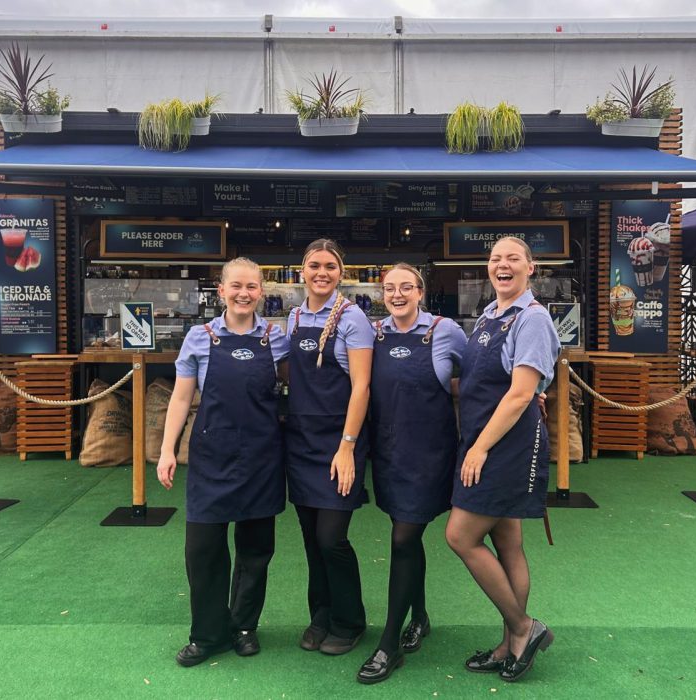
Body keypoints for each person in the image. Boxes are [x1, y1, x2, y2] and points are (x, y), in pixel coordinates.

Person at [157, 257, 290, 667]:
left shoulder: (276, 338)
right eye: (236, 286)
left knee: (255, 549)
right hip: (212, 456)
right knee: (203, 550)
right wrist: (166, 450)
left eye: (252, 286)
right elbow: (181, 398)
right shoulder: (200, 338)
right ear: (221, 291)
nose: (244, 293)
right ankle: (207, 634)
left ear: (261, 293)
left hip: (261, 457)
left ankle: (244, 627)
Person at [444, 236, 561, 683]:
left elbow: (519, 395)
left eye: (513, 258)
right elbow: (479, 383)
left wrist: (479, 447)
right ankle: (511, 644)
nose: (503, 265)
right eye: (496, 259)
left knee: (461, 536)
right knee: (507, 541)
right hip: (483, 436)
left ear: (532, 268)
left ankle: (524, 627)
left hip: (505, 444)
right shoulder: (491, 316)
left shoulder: (532, 319)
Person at [356, 263, 467, 685]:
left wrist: (532, 396)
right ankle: (419, 617)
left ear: (421, 291)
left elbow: (478, 379)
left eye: (406, 287)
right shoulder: (373, 333)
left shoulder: (446, 331)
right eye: (389, 288)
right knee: (408, 534)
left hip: (430, 454)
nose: (397, 294)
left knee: (403, 537)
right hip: (388, 452)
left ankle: (389, 644)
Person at [285, 238, 374, 656]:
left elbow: (361, 387)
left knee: (331, 538)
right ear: (302, 271)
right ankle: (320, 615)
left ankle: (349, 620)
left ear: (342, 273)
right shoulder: (294, 316)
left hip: (340, 441)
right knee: (309, 537)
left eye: (331, 267)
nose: (322, 272)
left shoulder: (352, 318)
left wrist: (348, 447)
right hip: (301, 441)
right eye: (314, 265)